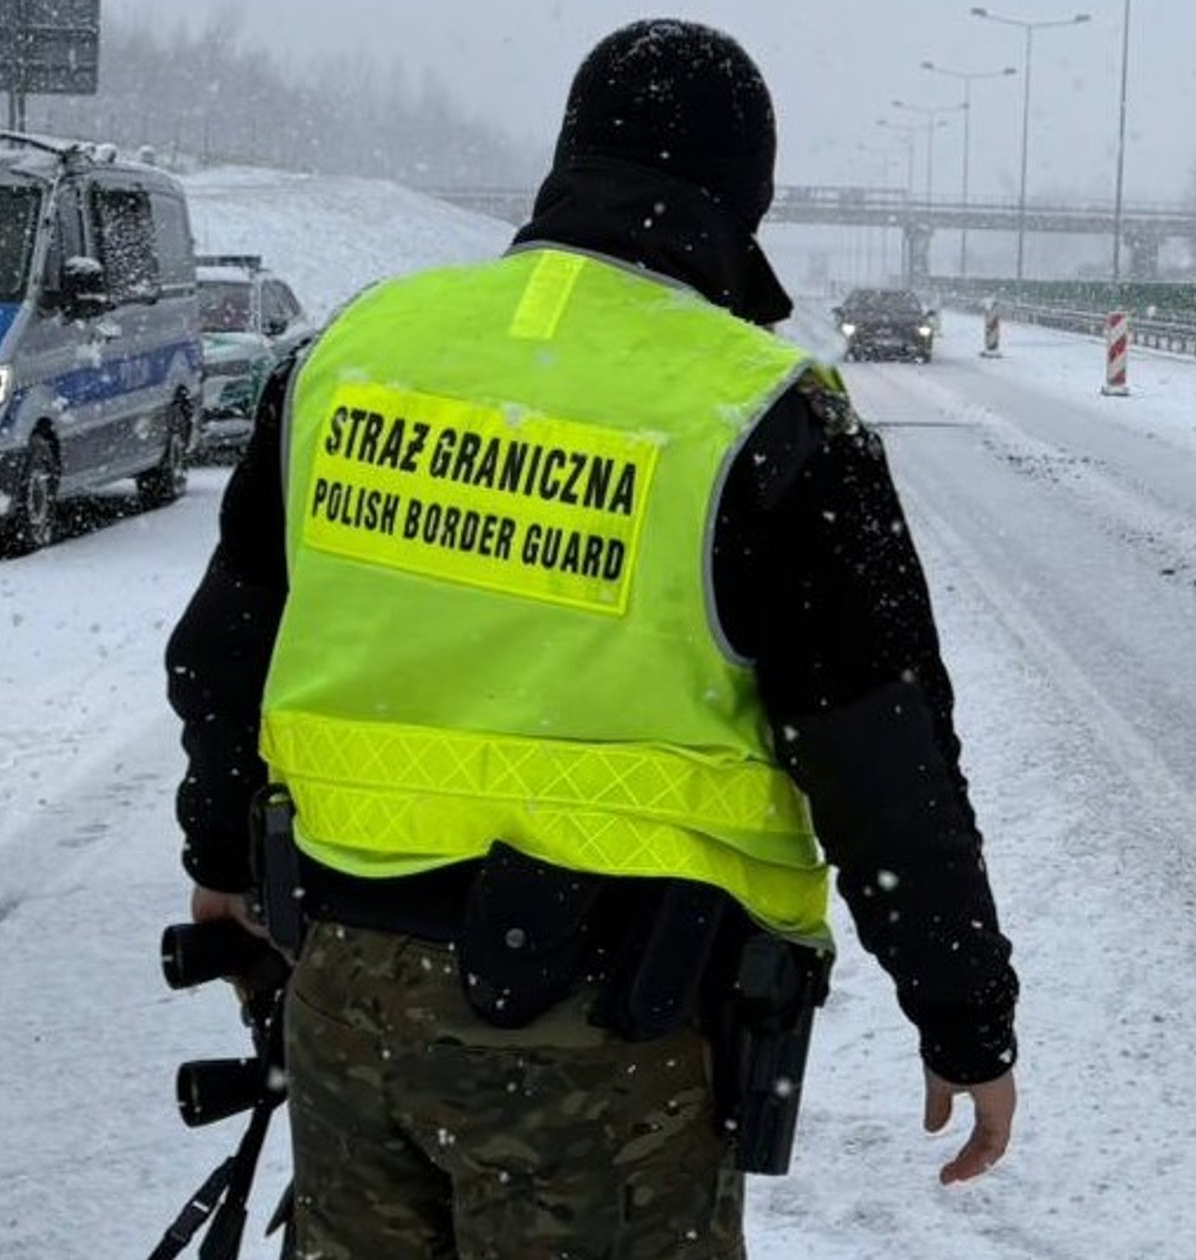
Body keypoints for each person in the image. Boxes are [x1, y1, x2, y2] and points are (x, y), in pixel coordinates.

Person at [164, 20, 1020, 1258]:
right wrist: (964, 1017)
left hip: (344, 997)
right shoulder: (763, 419)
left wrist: (219, 851)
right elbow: (888, 776)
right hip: (606, 1036)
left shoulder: (353, 354)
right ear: (746, 197)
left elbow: (223, 653)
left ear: (569, 157)